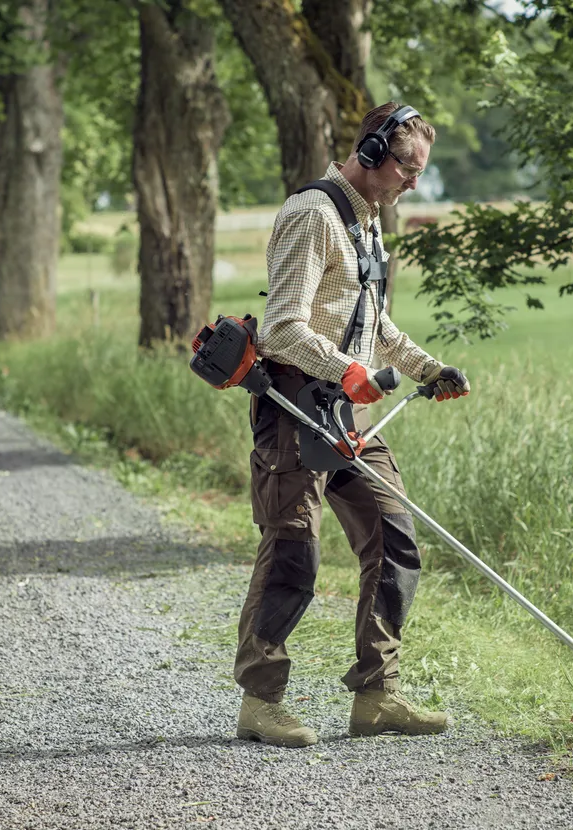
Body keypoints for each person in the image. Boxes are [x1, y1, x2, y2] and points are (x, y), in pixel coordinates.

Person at [235, 102, 470, 748]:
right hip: (293, 408)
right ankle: (260, 701)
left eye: (419, 171)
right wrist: (345, 370)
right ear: (369, 153)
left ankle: (377, 694)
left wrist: (427, 368)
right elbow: (281, 326)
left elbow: (375, 324)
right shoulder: (311, 215)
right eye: (406, 167)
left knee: (394, 539)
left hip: (350, 412)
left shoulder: (367, 223)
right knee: (293, 553)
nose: (413, 183)